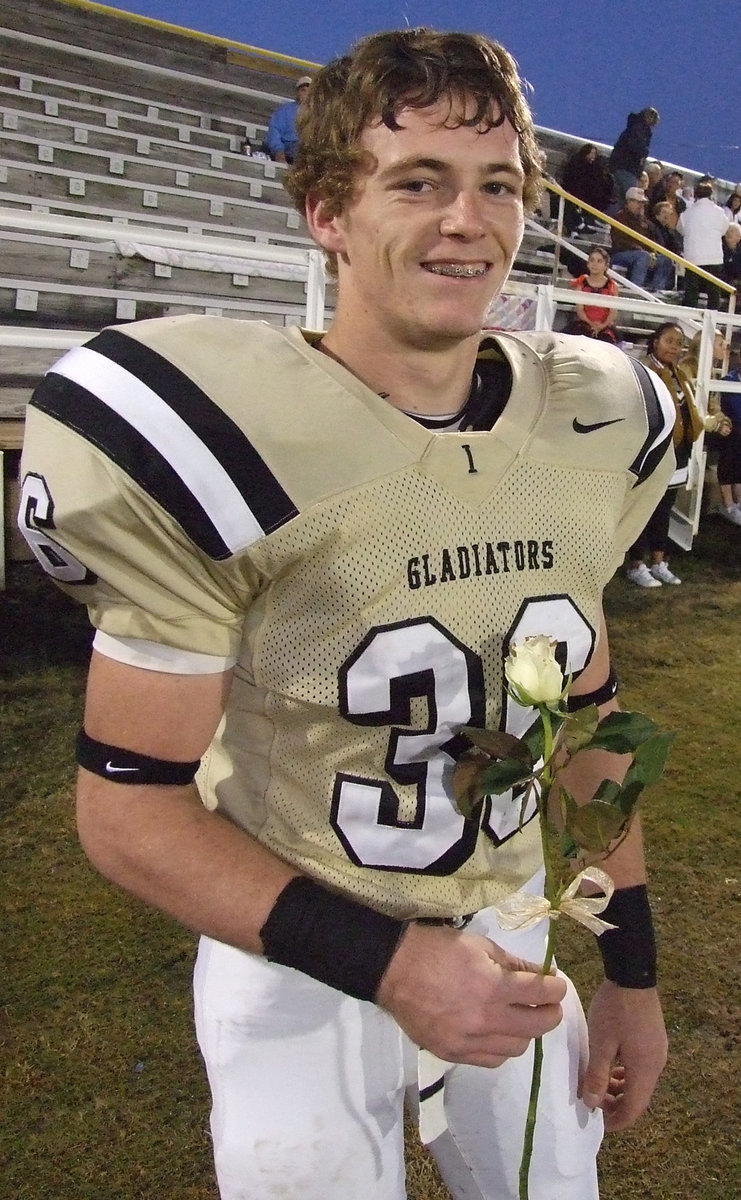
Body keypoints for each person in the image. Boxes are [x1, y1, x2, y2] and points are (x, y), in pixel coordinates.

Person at [17, 28, 673, 1200]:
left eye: (498, 186)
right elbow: (127, 812)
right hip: (299, 944)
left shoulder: (597, 418)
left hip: (511, 918)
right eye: (416, 182)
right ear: (326, 211)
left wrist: (632, 975)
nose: (467, 222)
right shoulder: (227, 432)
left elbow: (587, 718)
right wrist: (392, 964)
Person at [626, 322, 729, 586]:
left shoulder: (679, 373)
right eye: (669, 341)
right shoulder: (643, 370)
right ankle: (636, 564)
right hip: (652, 451)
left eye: (678, 342)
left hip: (677, 451)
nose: (674, 347)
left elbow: (691, 411)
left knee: (664, 508)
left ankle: (659, 562)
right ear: (656, 341)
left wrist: (714, 422)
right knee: (644, 509)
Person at [678, 180, 730, 310]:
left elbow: (681, 229)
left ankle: (689, 321)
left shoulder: (687, 213)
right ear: (711, 195)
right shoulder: (719, 212)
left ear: (695, 195)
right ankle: (712, 321)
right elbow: (724, 229)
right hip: (714, 257)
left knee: (691, 292)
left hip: (693, 257)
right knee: (713, 292)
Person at [564, 245, 619, 341]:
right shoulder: (581, 283)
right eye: (592, 260)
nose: (594, 264)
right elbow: (580, 309)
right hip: (584, 323)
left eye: (599, 261)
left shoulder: (612, 285)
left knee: (606, 340)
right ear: (588, 264)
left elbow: (613, 312)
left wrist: (601, 326)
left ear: (606, 266)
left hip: (604, 325)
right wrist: (591, 324)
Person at [608, 107, 660, 204]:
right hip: (626, 168)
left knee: (622, 197)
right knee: (631, 198)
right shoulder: (639, 128)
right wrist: (644, 152)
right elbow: (634, 145)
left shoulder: (636, 127)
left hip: (623, 166)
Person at [560, 143, 612, 235]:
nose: (592, 156)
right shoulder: (575, 165)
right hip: (575, 192)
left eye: (594, 154)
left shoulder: (595, 168)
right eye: (590, 153)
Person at [610, 186, 655, 288]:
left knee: (665, 260)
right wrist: (638, 249)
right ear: (629, 202)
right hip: (620, 254)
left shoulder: (644, 221)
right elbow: (619, 241)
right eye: (638, 202)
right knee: (643, 256)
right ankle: (635, 289)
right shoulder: (619, 217)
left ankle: (656, 289)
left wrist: (652, 252)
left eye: (642, 203)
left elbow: (651, 240)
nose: (641, 205)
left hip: (642, 253)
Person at [716, 347, 741, 524]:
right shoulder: (728, 381)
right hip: (731, 430)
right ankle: (728, 504)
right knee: (730, 456)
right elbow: (732, 410)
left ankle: (738, 501)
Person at [263, 74, 312, 163]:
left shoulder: (317, 115)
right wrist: (279, 151)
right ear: (297, 92)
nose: (306, 94)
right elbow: (274, 132)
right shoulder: (285, 110)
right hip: (285, 154)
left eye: (309, 92)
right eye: (303, 90)